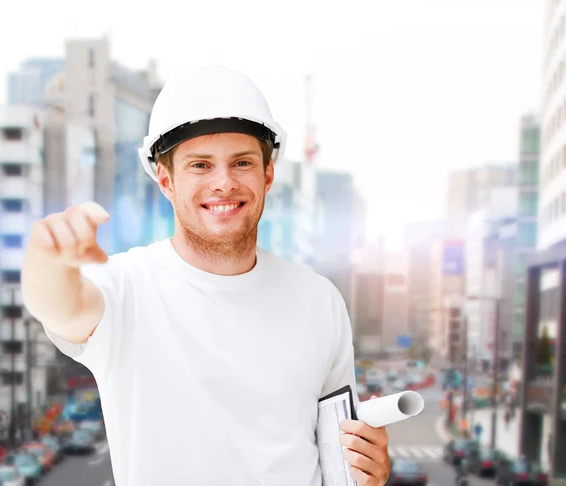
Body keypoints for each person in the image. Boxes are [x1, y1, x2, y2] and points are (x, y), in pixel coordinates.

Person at [21, 66, 391, 486]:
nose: (224, 183)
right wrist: (47, 259)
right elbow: (61, 307)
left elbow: (335, 454)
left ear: (267, 175)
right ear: (166, 181)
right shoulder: (126, 287)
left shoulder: (319, 300)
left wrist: (366, 471)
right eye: (200, 165)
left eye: (242, 162)